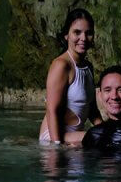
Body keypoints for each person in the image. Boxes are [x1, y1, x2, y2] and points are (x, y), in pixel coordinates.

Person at [39, 8, 102, 144]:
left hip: (74, 136)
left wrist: (105, 129)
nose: (83, 38)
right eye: (77, 32)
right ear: (66, 35)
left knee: (110, 137)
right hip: (54, 136)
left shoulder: (88, 67)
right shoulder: (61, 65)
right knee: (102, 139)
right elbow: (51, 110)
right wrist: (56, 148)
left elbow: (92, 110)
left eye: (89, 33)